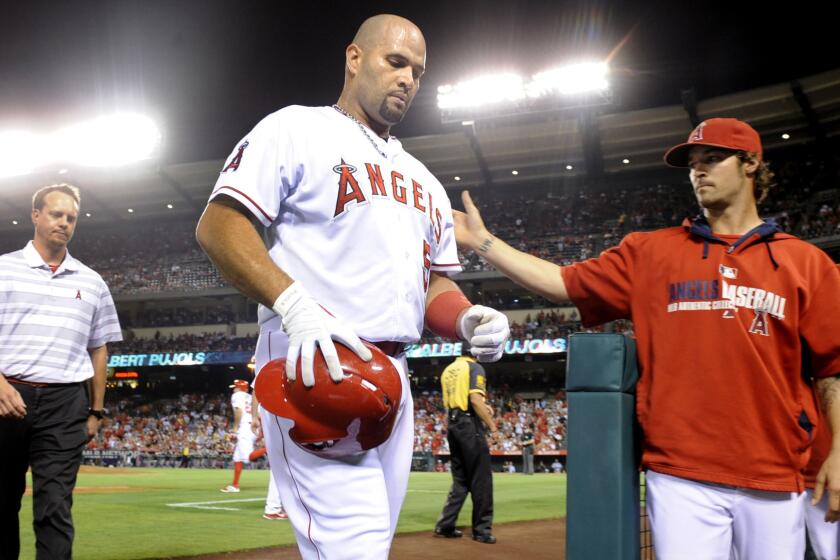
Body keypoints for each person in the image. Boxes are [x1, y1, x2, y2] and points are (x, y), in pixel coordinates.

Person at [195, 14, 509, 559]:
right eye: (396, 62)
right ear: (354, 58)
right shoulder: (295, 128)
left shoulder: (427, 181)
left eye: (418, 70)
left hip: (395, 377)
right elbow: (219, 226)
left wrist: (464, 318)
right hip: (315, 364)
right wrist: (294, 304)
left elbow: (431, 284)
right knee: (354, 548)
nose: (409, 78)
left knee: (367, 545)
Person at [453, 118, 840, 559]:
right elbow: (563, 282)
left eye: (712, 159)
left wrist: (839, 452)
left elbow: (832, 370)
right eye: (693, 163)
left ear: (751, 162)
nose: (698, 171)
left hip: (776, 474)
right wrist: (483, 242)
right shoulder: (650, 252)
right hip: (680, 475)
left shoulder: (806, 263)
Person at [0, 184, 122, 560]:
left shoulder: (92, 281)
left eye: (71, 217)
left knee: (55, 508)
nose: (64, 223)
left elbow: (98, 347)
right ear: (36, 215)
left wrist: (96, 410)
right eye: (56, 214)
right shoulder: (3, 269)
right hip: (6, 397)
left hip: (65, 401)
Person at [434, 351, 498, 544]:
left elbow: (463, 399)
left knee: (461, 480)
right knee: (481, 479)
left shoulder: (449, 369)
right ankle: (482, 530)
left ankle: (445, 525)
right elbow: (474, 399)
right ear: (475, 353)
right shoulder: (474, 367)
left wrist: (483, 407)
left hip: (453, 425)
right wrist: (493, 427)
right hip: (469, 425)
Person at [221, 379, 258, 493]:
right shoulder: (250, 397)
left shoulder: (237, 395)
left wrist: (235, 428)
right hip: (253, 425)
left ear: (239, 388)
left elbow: (238, 411)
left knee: (248, 456)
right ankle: (235, 485)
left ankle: (268, 449)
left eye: (235, 387)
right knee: (237, 458)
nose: (234, 389)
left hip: (245, 427)